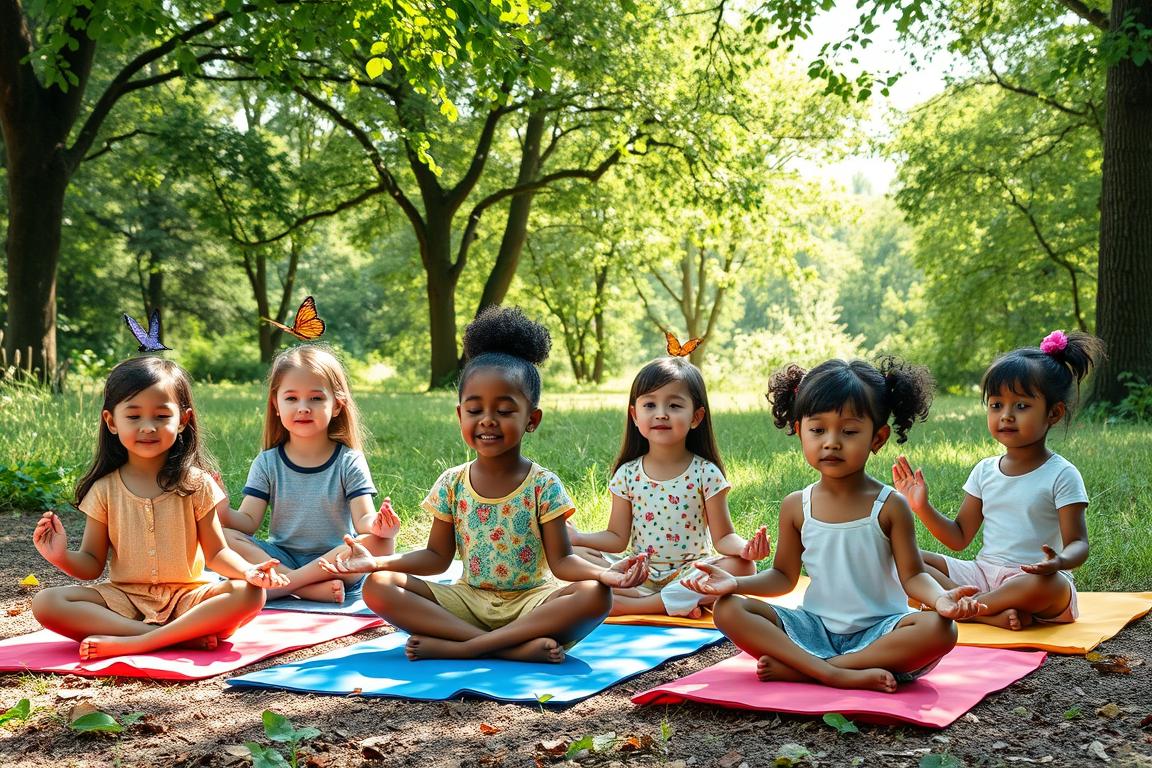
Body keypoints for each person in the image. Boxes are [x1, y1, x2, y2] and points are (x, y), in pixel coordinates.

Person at [321, 306, 648, 662]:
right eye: (475, 410)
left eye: (505, 411)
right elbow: (435, 558)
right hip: (468, 602)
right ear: (460, 414)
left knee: (595, 594)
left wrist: (606, 573)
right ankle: (510, 648)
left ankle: (467, 648)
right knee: (379, 587)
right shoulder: (451, 484)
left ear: (531, 419)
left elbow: (563, 562)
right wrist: (378, 565)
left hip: (532, 605)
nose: (488, 421)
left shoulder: (544, 485)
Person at [682, 358, 984, 692]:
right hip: (813, 629)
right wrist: (736, 583)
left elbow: (913, 577)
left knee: (942, 630)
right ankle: (833, 673)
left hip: (881, 633)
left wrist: (941, 600)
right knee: (727, 609)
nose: (832, 442)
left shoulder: (890, 505)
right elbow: (783, 577)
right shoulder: (796, 505)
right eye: (818, 429)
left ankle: (813, 669)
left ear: (878, 437)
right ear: (800, 431)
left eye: (850, 431)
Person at [31, 356, 288, 660]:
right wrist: (59, 556)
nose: (148, 427)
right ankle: (174, 637)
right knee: (46, 602)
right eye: (134, 416)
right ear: (112, 422)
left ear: (183, 420)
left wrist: (249, 571)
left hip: (190, 601)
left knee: (249, 593)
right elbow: (91, 564)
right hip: (123, 601)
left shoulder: (197, 483)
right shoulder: (104, 490)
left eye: (161, 415)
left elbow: (217, 554)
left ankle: (137, 642)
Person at [893, 330, 1105, 630]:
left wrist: (1058, 561)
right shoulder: (984, 471)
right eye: (996, 405)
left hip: (1033, 580)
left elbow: (1079, 544)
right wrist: (921, 506)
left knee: (1049, 584)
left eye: (1021, 406)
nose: (1006, 415)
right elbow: (959, 537)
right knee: (903, 559)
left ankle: (961, 605)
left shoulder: (1062, 474)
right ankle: (984, 612)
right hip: (983, 573)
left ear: (1054, 413)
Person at [568, 356, 770, 617]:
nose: (661, 413)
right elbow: (616, 538)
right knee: (574, 555)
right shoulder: (627, 474)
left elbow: (723, 538)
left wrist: (745, 548)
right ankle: (680, 603)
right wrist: (578, 537)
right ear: (634, 415)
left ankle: (641, 605)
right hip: (638, 574)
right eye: (650, 404)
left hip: (689, 573)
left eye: (674, 405)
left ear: (696, 417)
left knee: (744, 568)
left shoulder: (705, 473)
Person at [219, 344, 399, 603]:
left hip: (336, 560)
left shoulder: (349, 460)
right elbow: (247, 522)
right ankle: (306, 588)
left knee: (377, 543)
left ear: (337, 405)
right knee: (221, 538)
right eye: (291, 398)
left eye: (316, 398)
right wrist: (223, 510)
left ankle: (282, 585)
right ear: (276, 404)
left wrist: (380, 526)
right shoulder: (267, 462)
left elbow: (363, 521)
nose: (303, 407)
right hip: (281, 557)